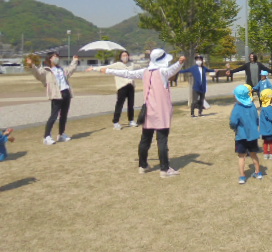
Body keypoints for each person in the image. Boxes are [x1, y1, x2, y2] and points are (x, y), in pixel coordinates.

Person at [100, 48, 185, 178]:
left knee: (145, 139)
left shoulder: (144, 72)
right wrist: (180, 62)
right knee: (162, 140)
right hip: (161, 111)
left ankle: (143, 165)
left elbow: (127, 74)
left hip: (148, 111)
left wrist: (108, 70)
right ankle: (165, 169)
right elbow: (173, 69)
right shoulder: (162, 72)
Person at [27, 52, 79, 145]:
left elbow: (70, 70)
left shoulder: (61, 69)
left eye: (58, 57)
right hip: (56, 94)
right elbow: (38, 74)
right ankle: (47, 136)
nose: (57, 58)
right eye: (55, 56)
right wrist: (32, 65)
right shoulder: (46, 70)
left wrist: (74, 61)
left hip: (66, 92)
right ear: (50, 58)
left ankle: (61, 134)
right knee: (54, 116)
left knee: (64, 115)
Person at [89, 50, 137, 129]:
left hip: (131, 85)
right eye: (123, 55)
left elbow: (140, 68)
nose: (125, 57)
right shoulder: (117, 64)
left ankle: (131, 120)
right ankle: (116, 122)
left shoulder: (131, 64)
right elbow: (106, 67)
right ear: (120, 57)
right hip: (121, 86)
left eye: (126, 55)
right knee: (119, 104)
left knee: (131, 104)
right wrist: (94, 68)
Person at [229, 85, 264, 184]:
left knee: (241, 156)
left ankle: (242, 176)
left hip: (241, 135)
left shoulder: (237, 107)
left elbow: (233, 121)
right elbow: (257, 118)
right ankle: (258, 172)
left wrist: (234, 127)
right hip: (253, 135)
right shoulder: (252, 105)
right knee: (253, 154)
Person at [259, 88, 272, 159]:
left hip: (264, 130)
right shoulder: (269, 108)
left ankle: (265, 154)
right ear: (269, 99)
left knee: (265, 142)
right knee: (271, 142)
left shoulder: (262, 108)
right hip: (270, 129)